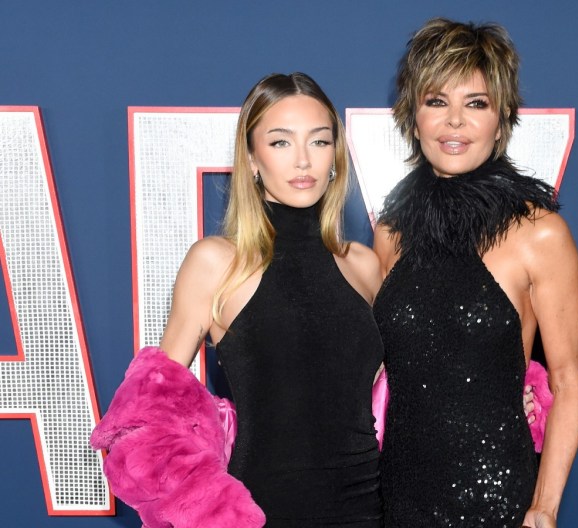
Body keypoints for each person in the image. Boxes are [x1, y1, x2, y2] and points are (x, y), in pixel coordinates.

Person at [93, 72, 384, 527]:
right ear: (251, 158)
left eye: (320, 141)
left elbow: (404, 390)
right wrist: (211, 511)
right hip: (261, 511)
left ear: (335, 156)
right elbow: (147, 415)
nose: (303, 160)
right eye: (281, 142)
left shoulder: (363, 265)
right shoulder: (216, 262)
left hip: (369, 510)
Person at [373, 18, 578, 528]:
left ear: (501, 116)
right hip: (397, 494)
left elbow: (567, 381)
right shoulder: (390, 230)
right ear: (413, 114)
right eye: (436, 101)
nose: (454, 123)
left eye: (476, 103)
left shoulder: (540, 233)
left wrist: (544, 507)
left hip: (497, 496)